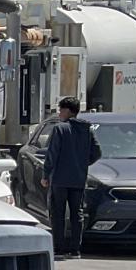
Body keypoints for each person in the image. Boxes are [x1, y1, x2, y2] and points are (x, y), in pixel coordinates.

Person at [44, 96, 101, 258]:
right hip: (78, 178)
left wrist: (46, 174)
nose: (59, 113)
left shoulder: (60, 129)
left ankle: (59, 248)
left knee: (58, 213)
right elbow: (97, 153)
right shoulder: (87, 129)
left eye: (61, 110)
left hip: (60, 179)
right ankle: (75, 249)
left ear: (68, 111)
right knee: (77, 213)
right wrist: (83, 164)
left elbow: (52, 154)